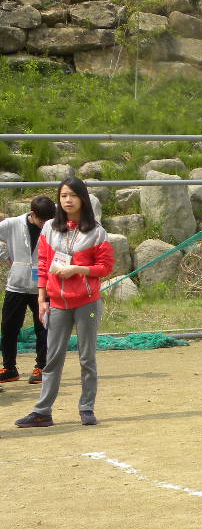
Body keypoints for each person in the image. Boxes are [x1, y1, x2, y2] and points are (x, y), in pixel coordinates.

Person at [15, 178, 113, 428]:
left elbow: (105, 267)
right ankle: (42, 412)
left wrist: (78, 269)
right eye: (63, 196)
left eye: (73, 195)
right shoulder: (49, 228)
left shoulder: (97, 232)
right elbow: (43, 264)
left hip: (87, 303)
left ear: (83, 198)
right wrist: (42, 298)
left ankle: (86, 408)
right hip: (57, 302)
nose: (68, 200)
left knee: (86, 357)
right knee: (53, 358)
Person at [0, 196, 55, 386]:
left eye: (49, 221)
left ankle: (42, 366)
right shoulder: (13, 224)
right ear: (32, 214)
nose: (45, 225)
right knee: (9, 327)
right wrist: (4, 256)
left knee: (44, 327)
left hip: (43, 284)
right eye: (42, 221)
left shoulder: (54, 226)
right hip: (16, 285)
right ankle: (9, 368)